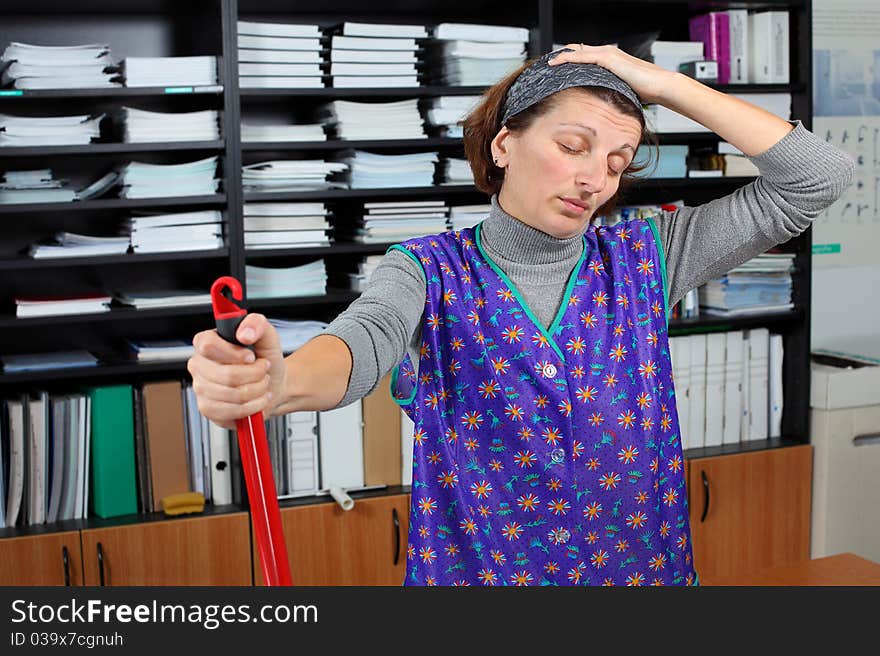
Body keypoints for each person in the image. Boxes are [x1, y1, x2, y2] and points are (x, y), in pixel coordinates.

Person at [188, 44, 854, 586]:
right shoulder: (427, 269)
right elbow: (364, 341)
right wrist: (277, 384)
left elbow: (817, 176)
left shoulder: (650, 254)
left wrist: (658, 83)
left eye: (617, 161)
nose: (595, 178)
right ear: (504, 145)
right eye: (573, 146)